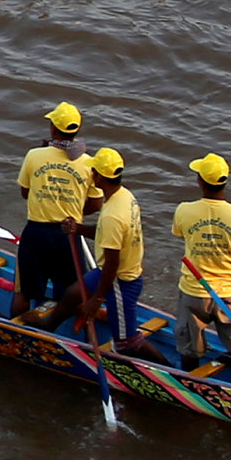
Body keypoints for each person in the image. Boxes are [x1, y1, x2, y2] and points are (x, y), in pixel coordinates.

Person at [170, 152, 231, 373]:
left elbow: (181, 233)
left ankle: (189, 384)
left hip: (194, 291)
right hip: (230, 292)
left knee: (189, 348)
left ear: (201, 182)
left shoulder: (184, 209)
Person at [15, 102, 94, 324]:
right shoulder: (88, 162)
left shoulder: (34, 155)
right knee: (71, 290)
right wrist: (74, 211)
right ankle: (62, 327)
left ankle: (19, 327)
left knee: (24, 291)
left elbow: (25, 192)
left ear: (54, 129)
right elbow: (96, 203)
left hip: (37, 232)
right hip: (68, 235)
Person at [77, 147, 149, 353]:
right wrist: (78, 229)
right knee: (73, 294)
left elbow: (112, 263)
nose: (91, 176)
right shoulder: (125, 196)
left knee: (128, 343)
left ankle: (167, 369)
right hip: (112, 272)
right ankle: (49, 327)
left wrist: (97, 299)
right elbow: (106, 236)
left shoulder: (112, 216)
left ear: (99, 177)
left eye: (93, 173)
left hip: (120, 281)